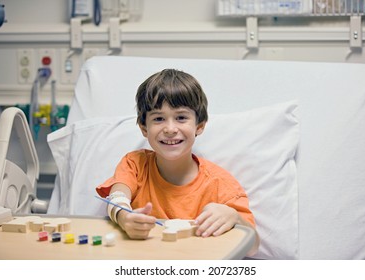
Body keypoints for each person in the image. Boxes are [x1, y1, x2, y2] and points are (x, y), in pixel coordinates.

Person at [96, 69, 256, 240]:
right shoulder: (134, 164)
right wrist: (124, 218)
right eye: (158, 119)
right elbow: (117, 197)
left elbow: (253, 245)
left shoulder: (220, 185)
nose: (170, 129)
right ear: (144, 128)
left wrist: (234, 216)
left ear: (199, 126)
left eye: (181, 117)